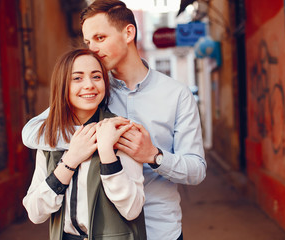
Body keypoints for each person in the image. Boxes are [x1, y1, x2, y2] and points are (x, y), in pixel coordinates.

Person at [22, 1, 207, 239]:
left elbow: (196, 170)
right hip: (104, 230)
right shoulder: (91, 91)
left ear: (129, 32)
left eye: (100, 38)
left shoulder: (176, 94)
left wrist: (153, 155)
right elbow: (32, 133)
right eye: (88, 42)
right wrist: (86, 144)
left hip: (159, 228)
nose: (93, 49)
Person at [22, 49, 146, 240]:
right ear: (62, 85)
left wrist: (106, 153)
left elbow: (132, 209)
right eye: (77, 78)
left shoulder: (121, 130)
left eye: (96, 77)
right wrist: (70, 160)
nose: (89, 85)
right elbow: (35, 213)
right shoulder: (49, 138)